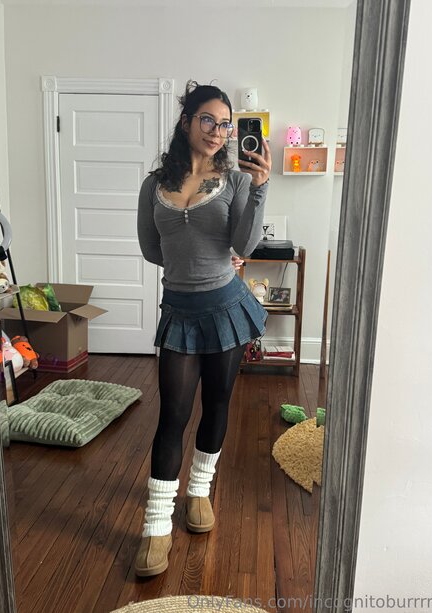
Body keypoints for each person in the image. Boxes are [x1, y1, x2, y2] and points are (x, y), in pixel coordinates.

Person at [135, 80, 271, 577]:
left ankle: (198, 491)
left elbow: (245, 244)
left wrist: (260, 189)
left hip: (225, 308)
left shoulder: (236, 181)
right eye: (208, 119)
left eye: (226, 124)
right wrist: (187, 259)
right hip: (179, 311)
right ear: (187, 121)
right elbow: (151, 247)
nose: (217, 131)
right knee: (172, 414)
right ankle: (155, 526)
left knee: (216, 403)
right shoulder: (154, 184)